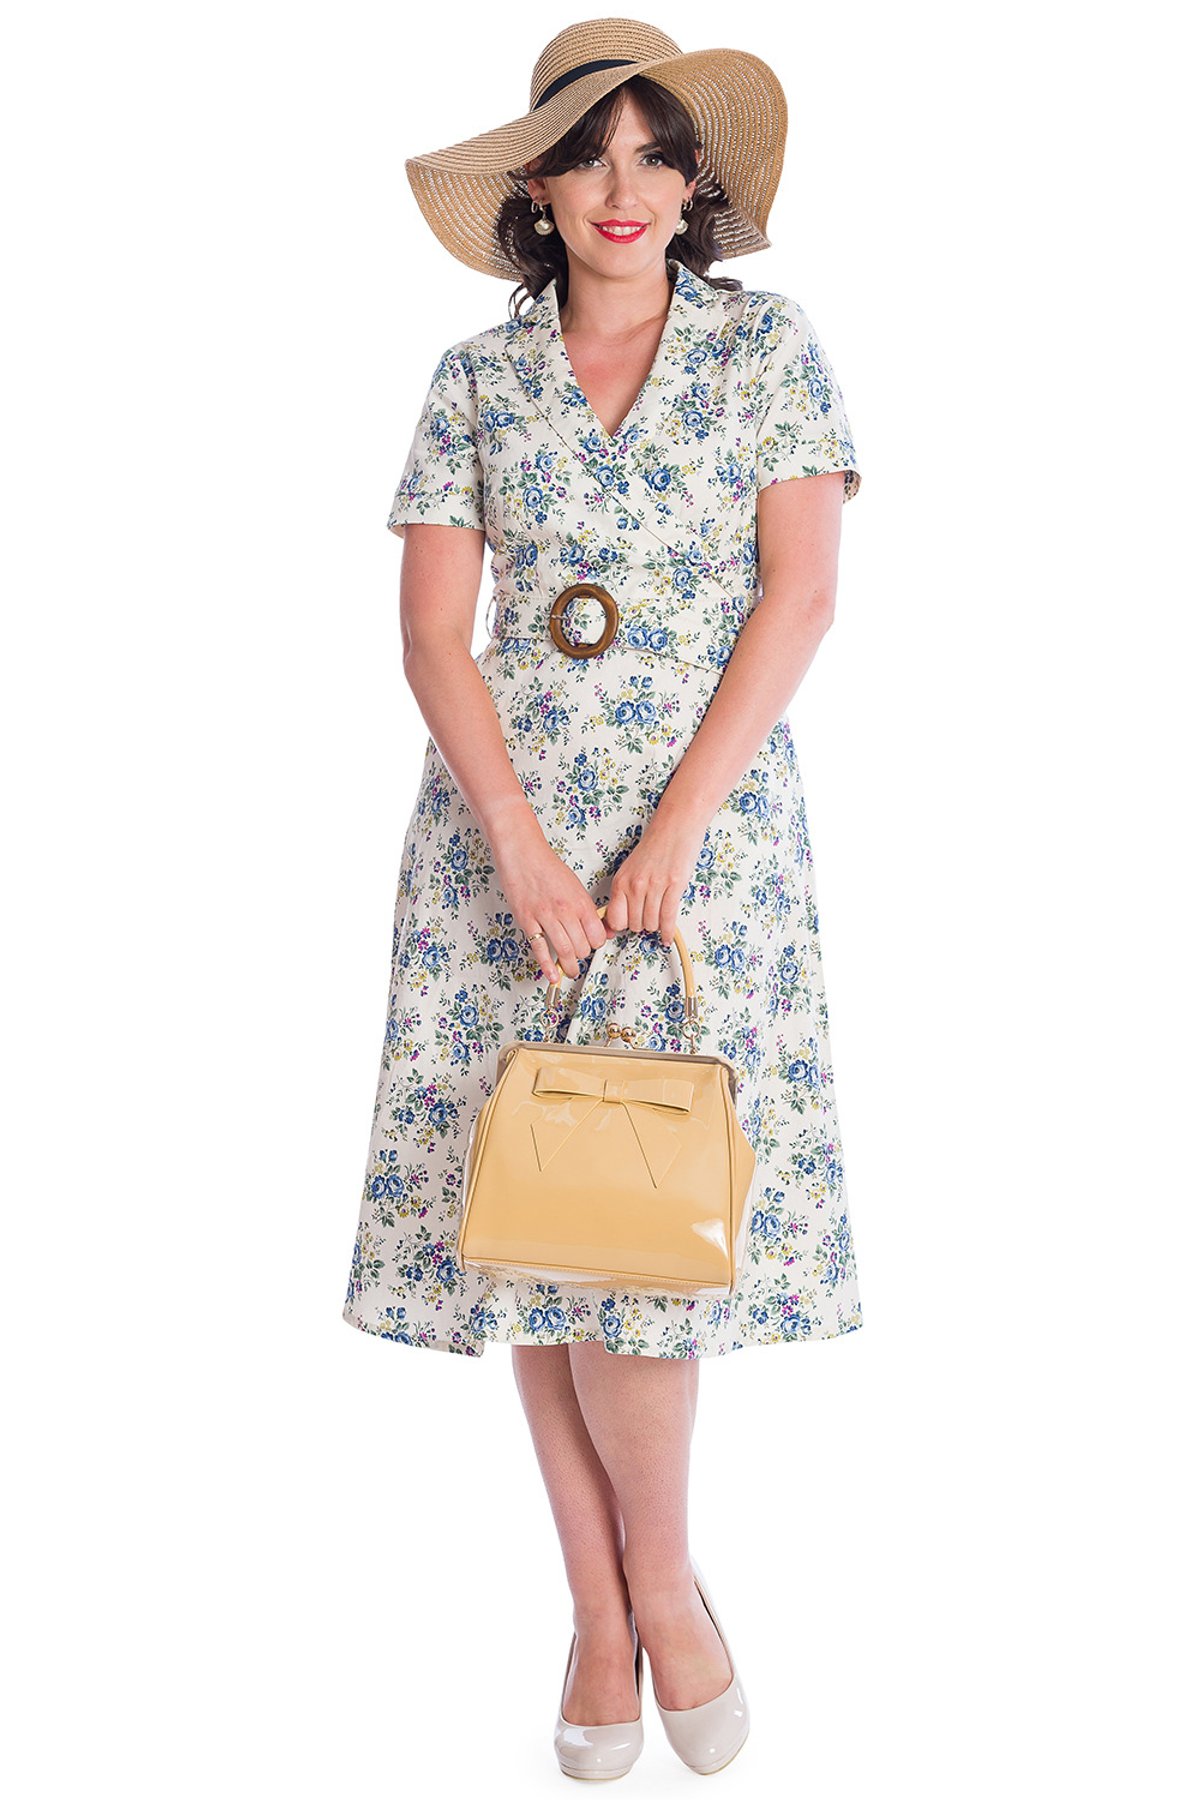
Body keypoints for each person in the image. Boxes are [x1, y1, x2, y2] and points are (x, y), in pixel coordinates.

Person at [342, 19, 865, 1780]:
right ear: (539, 191)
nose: (621, 187)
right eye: (586, 156)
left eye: (653, 153)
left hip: (703, 845)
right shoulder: (473, 378)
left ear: (695, 181)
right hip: (506, 843)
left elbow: (800, 598)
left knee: (643, 1226)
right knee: (541, 1211)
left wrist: (674, 835)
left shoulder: (769, 350)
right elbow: (435, 635)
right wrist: (517, 845)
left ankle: (658, 1583)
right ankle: (601, 1604)